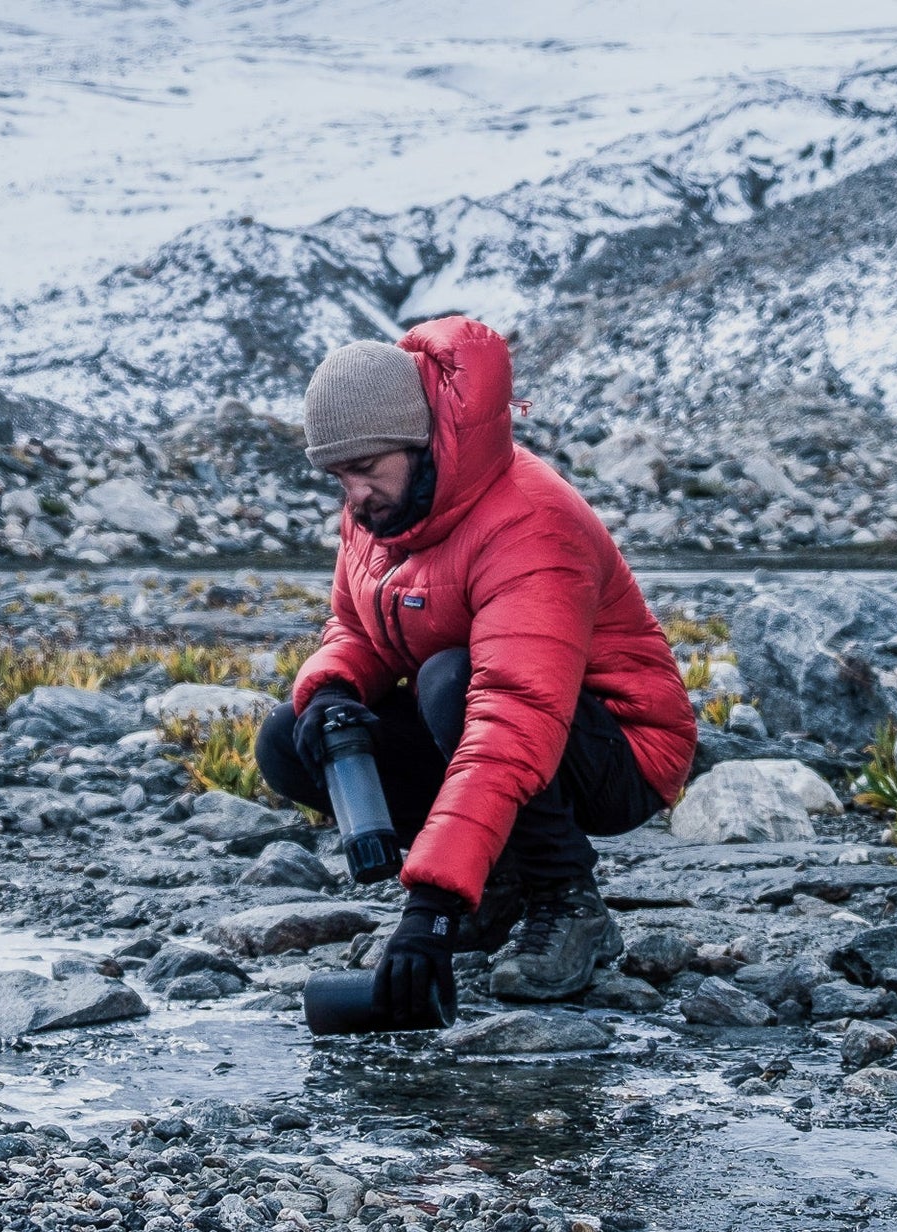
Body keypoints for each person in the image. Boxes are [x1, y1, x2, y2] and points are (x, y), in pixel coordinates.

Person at [257, 317, 697, 1022]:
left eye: (366, 468)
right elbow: (359, 626)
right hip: (485, 717)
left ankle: (566, 903)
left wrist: (430, 905)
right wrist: (335, 692)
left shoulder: (528, 518)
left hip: (619, 748)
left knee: (449, 680)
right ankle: (498, 886)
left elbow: (512, 715)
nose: (354, 495)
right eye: (339, 475)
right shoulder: (382, 509)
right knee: (294, 733)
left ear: (420, 439)